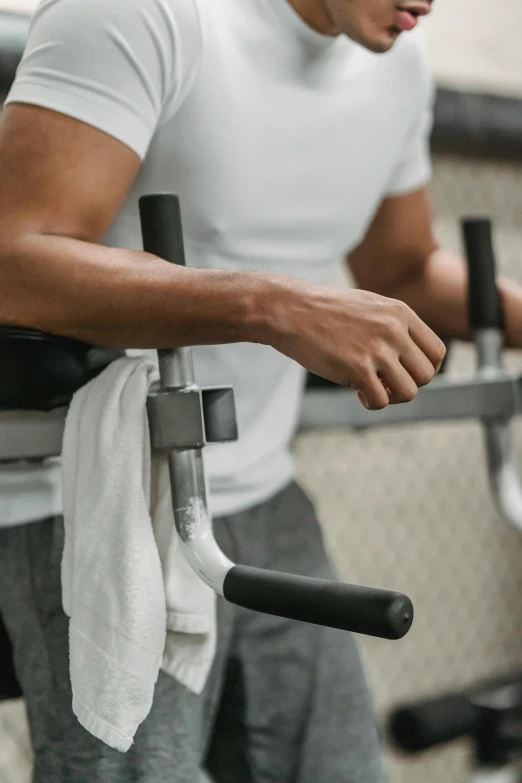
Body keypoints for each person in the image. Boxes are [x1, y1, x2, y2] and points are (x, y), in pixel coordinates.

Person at [0, 0, 522, 781]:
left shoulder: (398, 68)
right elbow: (14, 259)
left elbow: (404, 270)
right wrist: (275, 305)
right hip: (89, 498)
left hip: (265, 494)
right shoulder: (141, 15)